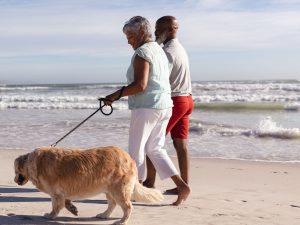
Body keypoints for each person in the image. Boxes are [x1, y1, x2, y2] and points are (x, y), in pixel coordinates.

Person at [103, 16, 190, 205]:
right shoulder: (159, 50)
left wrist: (114, 96)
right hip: (165, 106)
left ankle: (134, 189)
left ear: (141, 32)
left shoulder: (143, 52)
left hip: (147, 107)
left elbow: (140, 85)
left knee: (136, 151)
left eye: (130, 36)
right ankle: (182, 186)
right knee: (155, 149)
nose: (128, 40)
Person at [143, 16, 194, 194]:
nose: (156, 32)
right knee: (181, 146)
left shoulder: (166, 52)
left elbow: (160, 80)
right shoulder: (180, 48)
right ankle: (184, 184)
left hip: (175, 100)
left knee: (152, 143)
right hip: (187, 99)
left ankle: (149, 183)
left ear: (172, 29)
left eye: (159, 29)